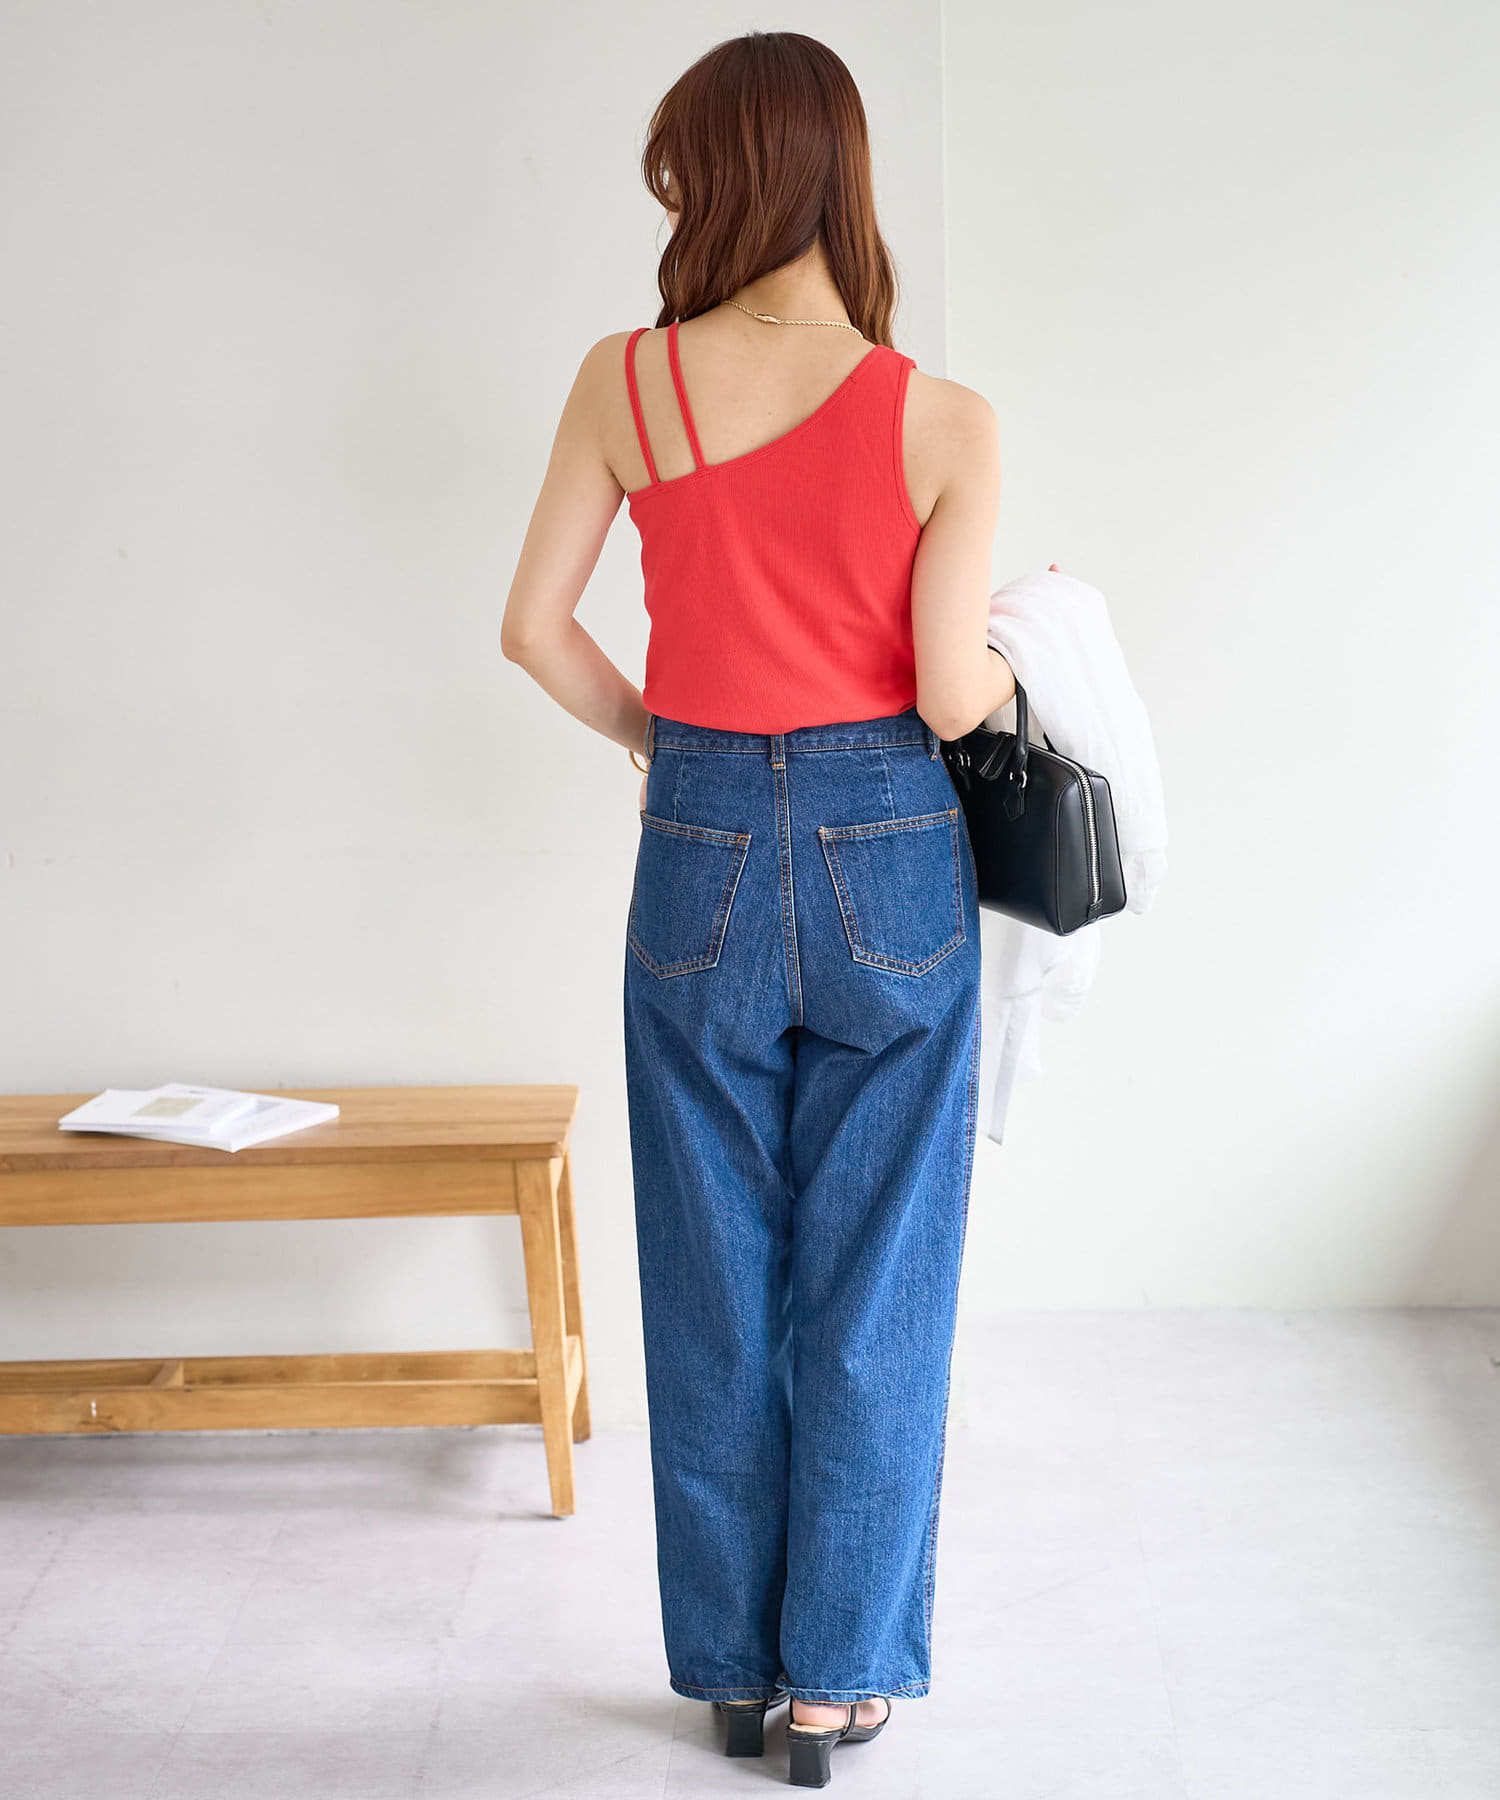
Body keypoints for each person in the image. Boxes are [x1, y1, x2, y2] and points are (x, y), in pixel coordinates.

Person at [502, 30, 1018, 1787]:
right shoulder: (940, 418)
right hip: (891, 850)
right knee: (878, 1274)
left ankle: (729, 1663)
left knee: (712, 1271)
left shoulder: (624, 385)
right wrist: (1022, 672)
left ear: (712, 180)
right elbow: (948, 695)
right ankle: (836, 1680)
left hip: (701, 844)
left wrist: (672, 739)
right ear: (841, 177)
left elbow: (534, 629)